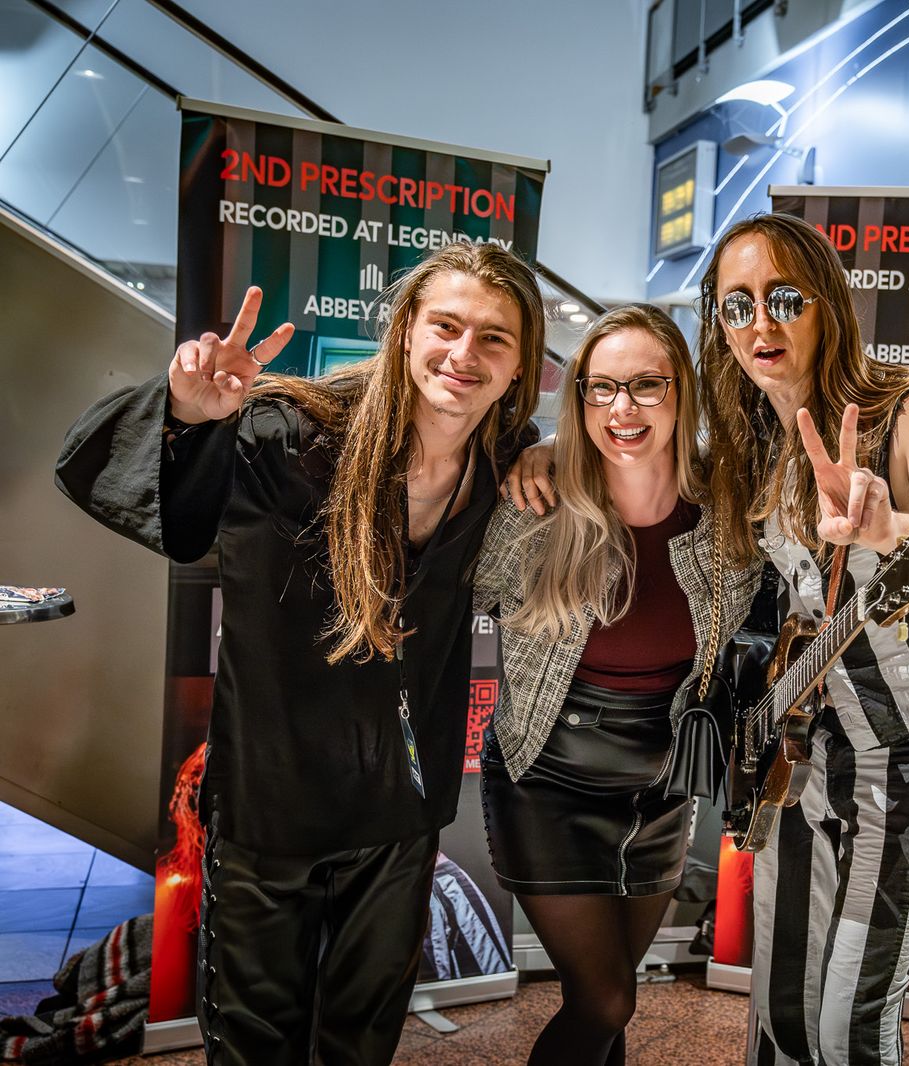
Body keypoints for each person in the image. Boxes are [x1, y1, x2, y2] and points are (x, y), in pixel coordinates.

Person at [55, 241, 545, 1065]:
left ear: (521, 362)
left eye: (494, 337)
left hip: (400, 810)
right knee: (256, 1043)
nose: (465, 353)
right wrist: (185, 415)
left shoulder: (503, 459)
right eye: (446, 326)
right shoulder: (289, 435)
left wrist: (551, 453)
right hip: (271, 805)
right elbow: (140, 499)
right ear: (406, 330)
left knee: (362, 1038)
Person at [697, 212, 909, 1066]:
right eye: (737, 305)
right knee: (780, 1012)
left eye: (783, 297)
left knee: (850, 1026)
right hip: (802, 744)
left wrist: (890, 528)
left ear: (826, 303)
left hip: (908, 746)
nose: (760, 322)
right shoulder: (751, 438)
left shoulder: (907, 405)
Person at [474, 305, 759, 1066]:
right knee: (605, 999)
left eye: (644, 385)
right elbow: (461, 589)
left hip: (662, 786)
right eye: (600, 388)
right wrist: (534, 452)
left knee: (608, 1003)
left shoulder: (727, 508)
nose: (621, 408)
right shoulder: (538, 506)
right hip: (547, 778)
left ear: (680, 393)